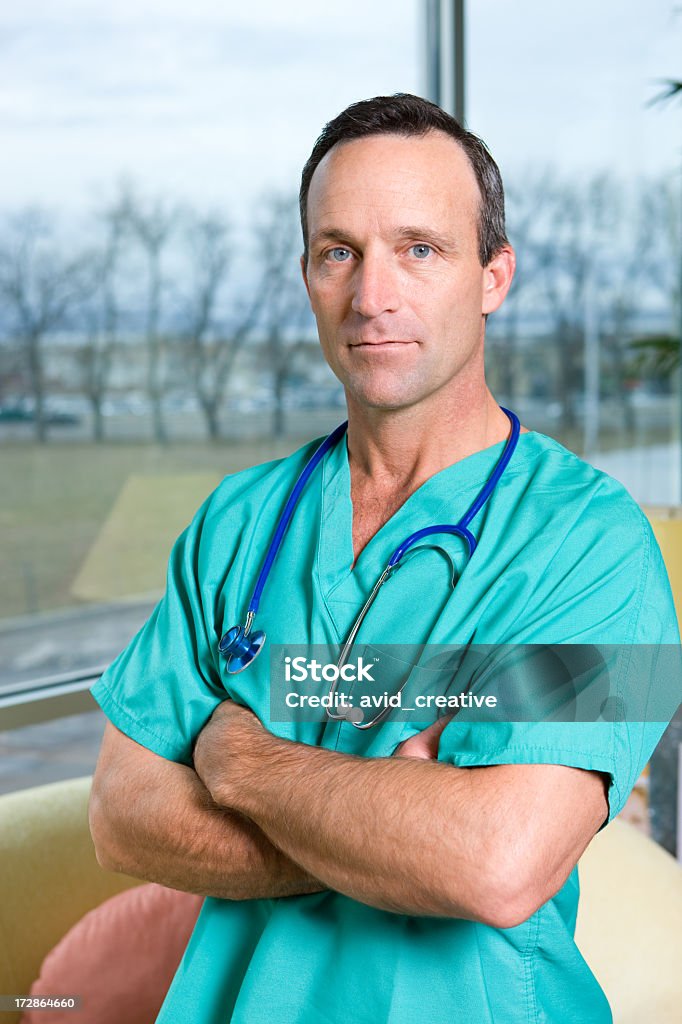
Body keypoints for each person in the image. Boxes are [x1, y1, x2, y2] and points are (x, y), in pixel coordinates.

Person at [89, 94, 679, 1024]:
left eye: (419, 249)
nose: (372, 297)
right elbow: (120, 818)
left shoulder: (597, 547)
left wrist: (240, 761)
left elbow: (497, 864)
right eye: (340, 253)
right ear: (308, 273)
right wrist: (394, 823)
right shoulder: (234, 522)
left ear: (494, 276)